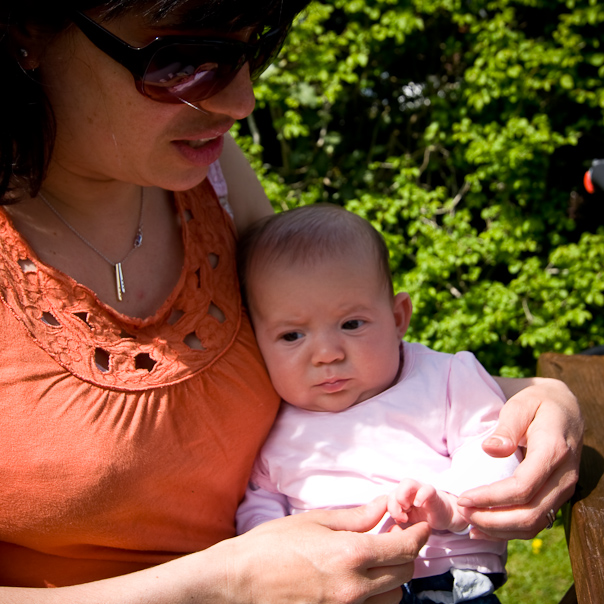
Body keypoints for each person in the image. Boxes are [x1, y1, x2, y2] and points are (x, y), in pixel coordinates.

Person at [0, 0, 582, 601]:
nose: (240, 102)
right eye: (183, 60)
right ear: (25, 30)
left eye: (255, 48)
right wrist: (232, 584)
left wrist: (527, 400)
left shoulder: (210, 170)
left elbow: (329, 349)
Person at [236, 204, 522, 603]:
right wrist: (271, 553)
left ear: (398, 316)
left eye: (351, 324)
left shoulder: (444, 379)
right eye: (291, 336)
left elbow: (491, 444)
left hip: (444, 573)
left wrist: (453, 504)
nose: (327, 354)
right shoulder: (271, 418)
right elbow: (261, 501)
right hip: (335, 587)